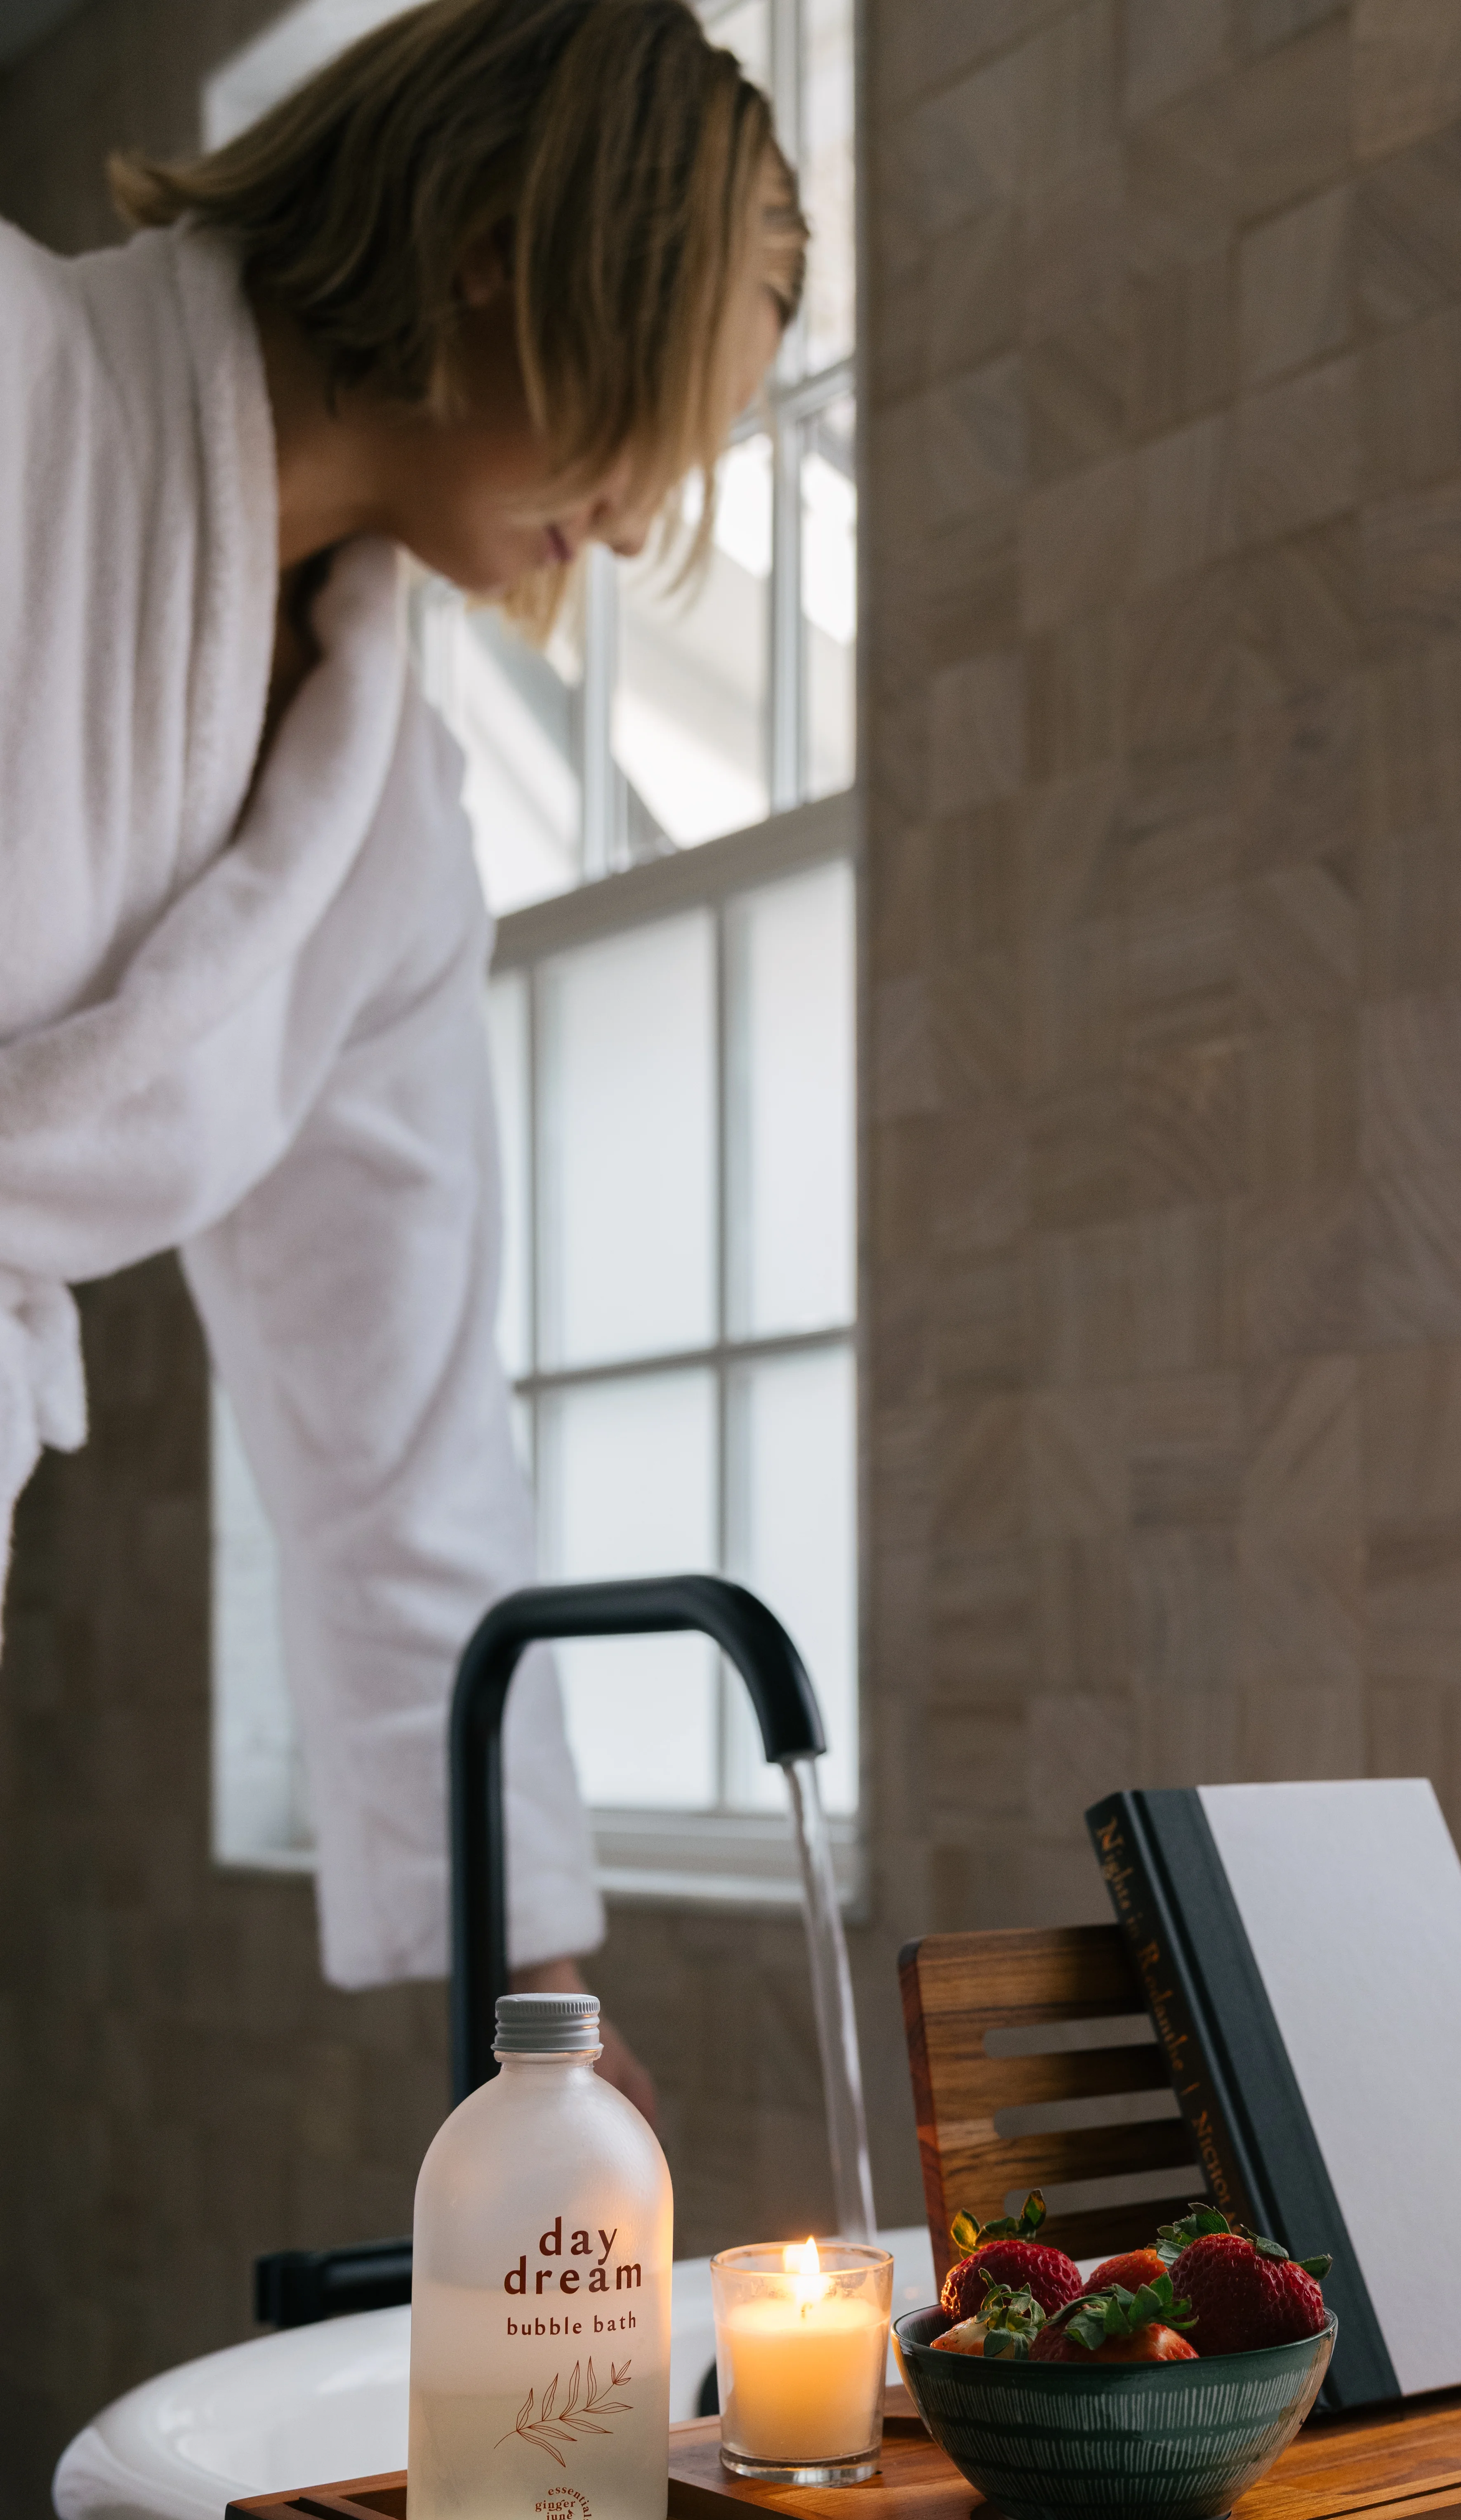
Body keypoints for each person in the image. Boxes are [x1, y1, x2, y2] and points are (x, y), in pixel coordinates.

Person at [0, 0, 807, 2117]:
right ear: (497, 248)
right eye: (657, 412)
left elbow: (400, 1433)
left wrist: (529, 1981)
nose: (642, 524)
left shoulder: (391, 832)